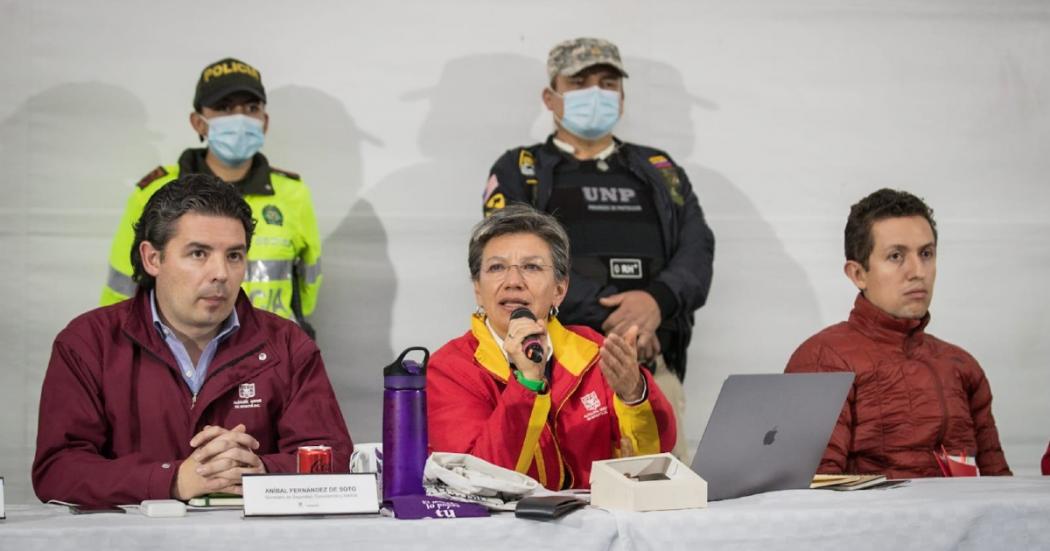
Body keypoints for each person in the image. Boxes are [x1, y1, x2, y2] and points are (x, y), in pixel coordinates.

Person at [34, 175, 352, 506]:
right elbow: (58, 470)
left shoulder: (288, 345)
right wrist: (172, 480)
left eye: (234, 255)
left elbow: (332, 457)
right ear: (152, 259)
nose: (221, 273)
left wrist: (262, 472)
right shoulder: (87, 343)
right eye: (199, 253)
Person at [482, 37, 714, 459]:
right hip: (558, 373)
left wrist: (655, 301)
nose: (597, 93)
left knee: (666, 508)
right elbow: (515, 262)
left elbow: (697, 251)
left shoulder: (659, 171)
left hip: (651, 372)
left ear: (622, 98)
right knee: (563, 506)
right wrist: (621, 322)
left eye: (608, 83)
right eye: (580, 82)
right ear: (550, 97)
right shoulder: (521, 169)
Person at [427, 204, 676, 490]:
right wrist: (527, 383)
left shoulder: (594, 352)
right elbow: (481, 482)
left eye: (531, 267)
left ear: (560, 289)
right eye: (496, 267)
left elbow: (653, 467)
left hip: (593, 526)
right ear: (477, 290)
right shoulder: (450, 369)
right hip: (500, 531)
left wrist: (634, 396)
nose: (513, 282)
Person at [785, 189, 1010, 478]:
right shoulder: (823, 359)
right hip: (870, 524)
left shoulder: (961, 365)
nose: (918, 271)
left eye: (926, 254)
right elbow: (813, 496)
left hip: (966, 524)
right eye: (896, 256)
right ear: (858, 274)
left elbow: (1000, 487)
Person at [101, 57, 322, 335]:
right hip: (181, 355)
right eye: (224, 108)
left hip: (271, 353)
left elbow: (307, 287)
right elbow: (123, 288)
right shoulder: (153, 193)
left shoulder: (293, 194)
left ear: (264, 122)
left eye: (251, 108)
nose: (240, 119)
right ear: (199, 123)